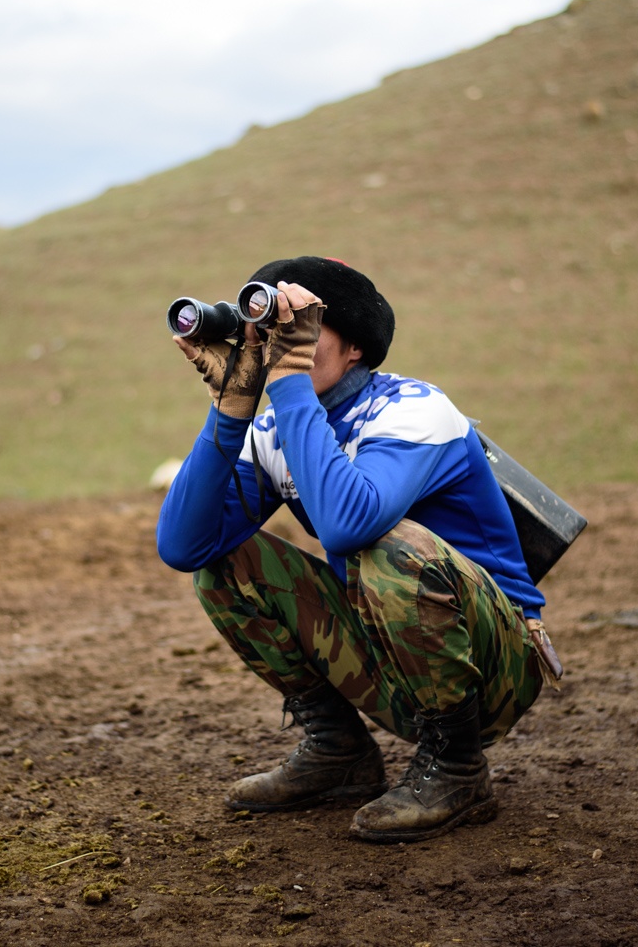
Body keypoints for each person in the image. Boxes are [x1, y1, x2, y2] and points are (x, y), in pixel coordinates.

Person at [155, 256, 550, 843]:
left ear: (355, 348)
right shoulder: (274, 430)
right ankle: (338, 751)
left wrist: (287, 382)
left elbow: (347, 526)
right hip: (386, 660)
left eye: (303, 332)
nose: (279, 346)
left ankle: (459, 767)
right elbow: (184, 545)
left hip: (494, 668)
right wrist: (231, 411)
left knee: (387, 545)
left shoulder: (415, 408)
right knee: (224, 561)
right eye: (270, 333)